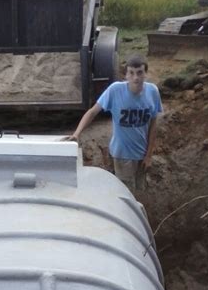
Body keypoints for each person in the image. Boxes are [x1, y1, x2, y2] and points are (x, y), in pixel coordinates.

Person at [69, 54, 162, 192]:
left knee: (139, 191)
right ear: (126, 75)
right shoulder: (115, 90)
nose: (136, 77)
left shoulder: (152, 91)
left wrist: (148, 155)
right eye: (131, 73)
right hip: (122, 155)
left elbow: (153, 124)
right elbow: (93, 112)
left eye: (139, 73)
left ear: (146, 74)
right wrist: (77, 133)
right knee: (125, 195)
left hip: (141, 155)